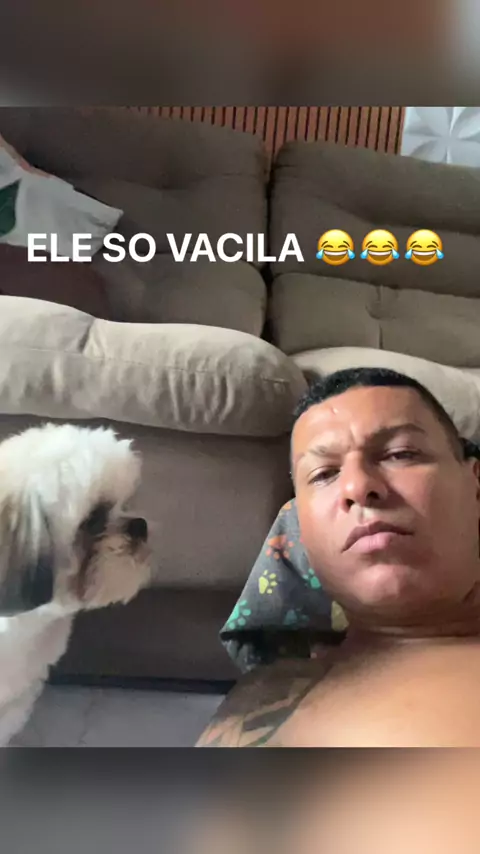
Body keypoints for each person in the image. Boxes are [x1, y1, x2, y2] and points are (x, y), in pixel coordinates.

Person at [197, 367, 480, 746]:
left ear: (475, 483)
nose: (357, 486)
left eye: (400, 454)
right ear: (301, 526)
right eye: (323, 474)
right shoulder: (267, 701)